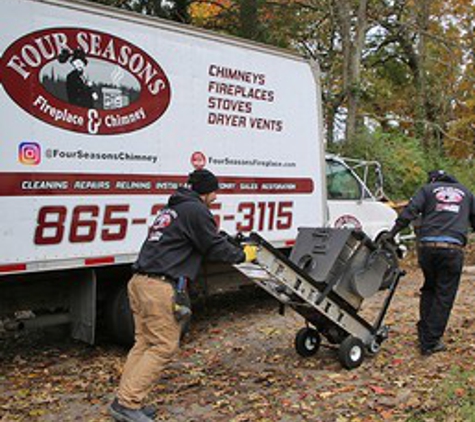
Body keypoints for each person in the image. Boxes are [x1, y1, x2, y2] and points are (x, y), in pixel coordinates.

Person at [109, 169, 254, 422]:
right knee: (164, 346)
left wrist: (228, 241)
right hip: (159, 286)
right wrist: (243, 255)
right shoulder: (197, 210)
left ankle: (125, 398)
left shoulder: (174, 209)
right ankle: (128, 404)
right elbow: (212, 246)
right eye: (214, 192)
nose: (216, 197)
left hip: (139, 281)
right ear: (206, 191)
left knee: (144, 344)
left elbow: (206, 237)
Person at [385, 169, 475, 356]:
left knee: (430, 288)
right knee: (444, 295)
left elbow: (410, 212)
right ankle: (431, 342)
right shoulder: (467, 193)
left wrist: (392, 234)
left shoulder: (427, 190)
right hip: (452, 249)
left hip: (426, 248)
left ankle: (424, 331)